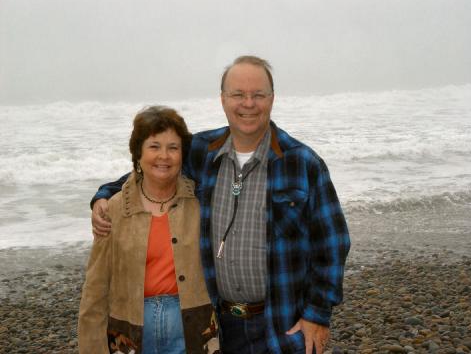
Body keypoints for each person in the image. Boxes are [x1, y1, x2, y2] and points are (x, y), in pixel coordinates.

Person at [91, 56, 351, 354]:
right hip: (219, 329)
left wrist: (317, 314)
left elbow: (333, 243)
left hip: (283, 325)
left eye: (258, 95)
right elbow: (154, 171)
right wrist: (104, 195)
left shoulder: (302, 162)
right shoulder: (201, 152)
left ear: (272, 99)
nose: (248, 104)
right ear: (223, 99)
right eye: (238, 94)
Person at [79, 106, 218, 354]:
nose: (163, 156)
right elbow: (95, 290)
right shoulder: (114, 208)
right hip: (129, 331)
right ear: (138, 154)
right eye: (154, 146)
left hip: (192, 330)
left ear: (182, 154)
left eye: (173, 148)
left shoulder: (200, 202)